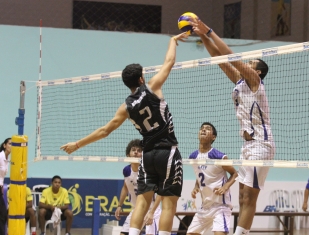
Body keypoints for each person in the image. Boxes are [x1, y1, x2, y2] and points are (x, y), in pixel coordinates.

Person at [60, 31, 188, 235]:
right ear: (141, 78)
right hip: (168, 152)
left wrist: (77, 144)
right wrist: (172, 41)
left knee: (141, 204)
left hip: (147, 156)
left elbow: (104, 131)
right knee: (168, 206)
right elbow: (170, 61)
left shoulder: (126, 108)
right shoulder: (153, 86)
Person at [192, 19, 275, 235]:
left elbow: (231, 56)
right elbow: (220, 59)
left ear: (257, 71)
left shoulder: (255, 82)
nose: (248, 62)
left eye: (252, 62)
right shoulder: (240, 82)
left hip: (261, 145)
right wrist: (202, 36)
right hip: (247, 146)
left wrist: (209, 29)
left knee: (249, 196)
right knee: (241, 197)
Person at [187, 122, 237, 235]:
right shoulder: (193, 156)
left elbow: (235, 174)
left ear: (213, 137)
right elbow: (200, 174)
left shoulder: (219, 156)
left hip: (221, 206)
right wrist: (196, 187)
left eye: (207, 129)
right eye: (202, 128)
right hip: (205, 207)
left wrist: (225, 187)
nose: (203, 130)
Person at [115, 139, 161, 235]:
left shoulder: (149, 171)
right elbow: (125, 187)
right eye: (133, 150)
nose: (136, 152)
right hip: (137, 209)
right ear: (128, 154)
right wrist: (119, 205)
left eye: (139, 151)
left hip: (152, 210)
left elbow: (161, 193)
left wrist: (152, 212)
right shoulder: (126, 171)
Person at [0, 138, 11, 235]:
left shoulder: (7, 159)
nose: (12, 146)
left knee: (3, 214)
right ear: (4, 145)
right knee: (3, 214)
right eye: (10, 144)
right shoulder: (0, 156)